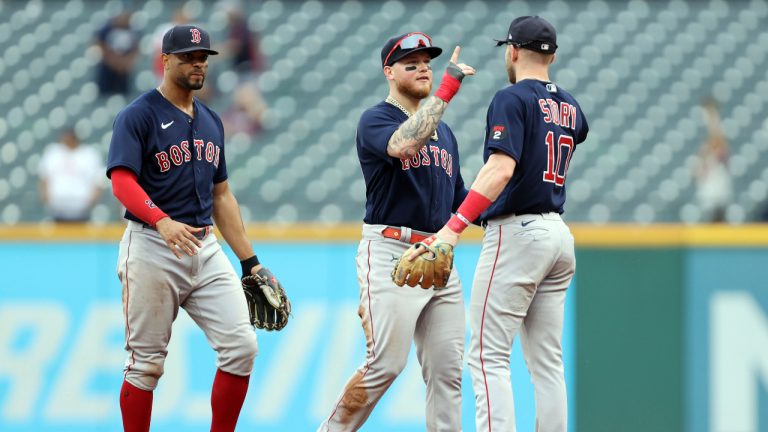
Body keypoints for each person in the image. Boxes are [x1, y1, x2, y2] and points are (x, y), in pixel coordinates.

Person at [403, 16, 589, 432]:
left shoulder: (511, 98)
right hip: (558, 233)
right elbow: (570, 136)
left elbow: (500, 169)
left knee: (487, 355)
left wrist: (452, 229)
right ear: (553, 55)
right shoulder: (572, 105)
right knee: (547, 362)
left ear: (513, 50)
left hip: (519, 233)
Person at [106, 25, 281, 432]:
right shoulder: (138, 114)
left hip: (204, 246)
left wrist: (250, 262)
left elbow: (222, 196)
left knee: (241, 348)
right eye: (187, 56)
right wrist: (161, 220)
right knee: (146, 365)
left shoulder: (211, 121)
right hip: (151, 246)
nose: (198, 63)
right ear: (165, 60)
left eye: (202, 56)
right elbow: (121, 180)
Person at [317, 32, 475, 432]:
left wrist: (511, 193)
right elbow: (403, 146)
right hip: (391, 252)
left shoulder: (447, 135)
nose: (423, 67)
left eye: (427, 62)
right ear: (389, 72)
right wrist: (448, 88)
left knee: (447, 372)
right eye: (411, 63)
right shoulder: (377, 118)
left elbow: (460, 198)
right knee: (385, 364)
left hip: (438, 257)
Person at [38, 128, 104, 222]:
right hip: (57, 210)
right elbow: (44, 177)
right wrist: (45, 196)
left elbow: (98, 180)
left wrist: (92, 200)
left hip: (82, 211)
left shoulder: (89, 153)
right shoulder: (53, 152)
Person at [694, 98, 731, 222]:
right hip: (709, 189)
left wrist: (713, 118)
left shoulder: (717, 135)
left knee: (717, 221)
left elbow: (719, 145)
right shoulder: (707, 139)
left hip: (716, 190)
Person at [94, 11, 141, 96]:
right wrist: (114, 62)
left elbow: (136, 49)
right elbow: (100, 44)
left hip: (124, 70)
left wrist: (126, 62)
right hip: (107, 69)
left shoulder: (133, 31)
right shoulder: (107, 29)